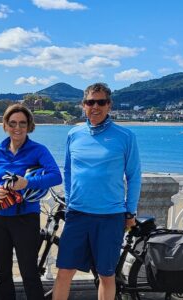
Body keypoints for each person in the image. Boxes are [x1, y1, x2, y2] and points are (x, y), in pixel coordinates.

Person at [52, 82, 141, 300]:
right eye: (90, 102)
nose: (95, 106)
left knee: (106, 275)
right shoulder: (74, 134)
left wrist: (129, 212)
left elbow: (134, 175)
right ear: (83, 105)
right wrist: (70, 200)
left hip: (110, 216)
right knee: (64, 271)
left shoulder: (125, 136)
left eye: (101, 102)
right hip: (77, 214)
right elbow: (69, 170)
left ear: (109, 105)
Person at [0, 104, 62, 300]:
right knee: (1, 274)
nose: (17, 128)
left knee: (29, 274)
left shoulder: (38, 150)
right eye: (12, 123)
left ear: (29, 125)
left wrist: (27, 182)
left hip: (25, 218)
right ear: (5, 125)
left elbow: (56, 176)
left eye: (22, 123)